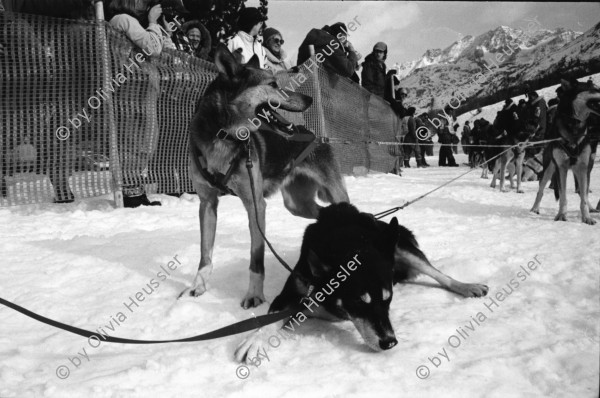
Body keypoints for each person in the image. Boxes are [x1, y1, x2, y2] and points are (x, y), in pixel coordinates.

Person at [109, 0, 170, 207]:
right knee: (132, 141)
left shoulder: (134, 24)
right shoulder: (123, 20)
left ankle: (136, 188)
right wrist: (153, 22)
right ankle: (130, 191)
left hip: (143, 89)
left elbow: (163, 49)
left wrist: (160, 29)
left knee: (146, 141)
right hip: (130, 91)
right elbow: (153, 47)